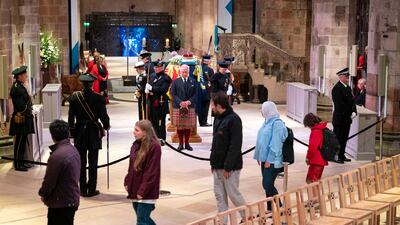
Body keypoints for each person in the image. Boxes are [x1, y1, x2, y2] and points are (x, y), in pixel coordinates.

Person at [68, 73, 110, 197]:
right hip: (93, 131)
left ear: (81, 83)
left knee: (80, 162)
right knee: (93, 162)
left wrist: (71, 130)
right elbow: (103, 116)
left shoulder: (75, 97)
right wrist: (106, 126)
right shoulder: (98, 98)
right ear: (92, 84)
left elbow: (71, 117)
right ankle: (91, 188)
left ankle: (82, 189)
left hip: (80, 132)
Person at [209, 92, 246, 215]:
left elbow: (235, 146)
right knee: (219, 196)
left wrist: (228, 167)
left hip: (230, 167)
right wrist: (213, 164)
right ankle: (223, 222)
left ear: (219, 105)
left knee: (233, 194)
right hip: (217, 165)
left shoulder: (234, 120)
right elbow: (216, 142)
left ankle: (247, 217)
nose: (211, 107)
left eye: (212, 105)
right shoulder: (218, 118)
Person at [38, 120, 81, 225]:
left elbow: (49, 181)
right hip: (71, 198)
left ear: (53, 136)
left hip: (61, 203)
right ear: (68, 133)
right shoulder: (73, 149)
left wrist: (43, 194)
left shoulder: (57, 156)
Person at [124, 120, 161, 225]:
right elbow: (131, 167)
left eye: (137, 130)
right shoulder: (135, 145)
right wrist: (127, 181)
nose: (133, 132)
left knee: (141, 221)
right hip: (135, 187)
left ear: (145, 132)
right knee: (144, 219)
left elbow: (151, 172)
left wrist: (142, 190)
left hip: (146, 191)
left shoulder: (154, 147)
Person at [253, 101, 288, 207]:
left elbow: (276, 144)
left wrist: (269, 159)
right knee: (268, 184)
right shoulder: (267, 121)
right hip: (265, 159)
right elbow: (262, 139)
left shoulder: (277, 123)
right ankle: (270, 207)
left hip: (273, 160)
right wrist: (260, 156)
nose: (261, 111)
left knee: (267, 184)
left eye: (263, 109)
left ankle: (279, 207)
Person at [9, 65, 34, 172]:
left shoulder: (20, 86)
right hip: (21, 118)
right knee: (19, 142)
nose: (26, 76)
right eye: (24, 75)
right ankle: (18, 164)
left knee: (23, 141)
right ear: (19, 77)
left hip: (24, 117)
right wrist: (29, 111)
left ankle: (22, 162)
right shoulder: (17, 88)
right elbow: (20, 106)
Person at [331, 68, 357, 163]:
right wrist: (349, 114)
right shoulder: (337, 89)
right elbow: (340, 105)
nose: (347, 78)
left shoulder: (348, 88)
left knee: (344, 138)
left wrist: (354, 111)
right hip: (340, 119)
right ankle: (336, 156)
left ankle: (341, 155)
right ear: (340, 77)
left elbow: (352, 101)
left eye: (347, 76)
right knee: (338, 138)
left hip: (346, 119)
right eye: (346, 76)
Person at [170, 64, 197, 151]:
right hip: (178, 106)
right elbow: (173, 94)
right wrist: (181, 102)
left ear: (188, 72)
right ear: (180, 72)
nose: (185, 73)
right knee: (180, 126)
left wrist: (189, 102)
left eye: (186, 71)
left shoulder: (193, 81)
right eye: (183, 72)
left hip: (190, 106)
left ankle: (187, 144)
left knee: (188, 126)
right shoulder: (175, 81)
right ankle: (181, 144)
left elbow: (195, 94)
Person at [145, 60, 172, 141]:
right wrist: (147, 90)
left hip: (160, 103)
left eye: (158, 67)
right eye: (155, 67)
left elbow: (163, 90)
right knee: (152, 121)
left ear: (162, 67)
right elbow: (149, 85)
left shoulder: (166, 78)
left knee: (160, 122)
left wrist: (151, 88)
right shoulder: (152, 76)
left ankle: (161, 138)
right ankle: (153, 138)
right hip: (152, 102)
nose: (156, 69)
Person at [303, 113, 328, 184]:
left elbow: (312, 147)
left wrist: (308, 158)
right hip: (319, 160)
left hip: (317, 160)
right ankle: (314, 194)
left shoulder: (316, 131)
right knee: (313, 181)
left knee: (312, 182)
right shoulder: (321, 128)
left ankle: (314, 195)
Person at [198, 54, 213, 127]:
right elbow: (212, 81)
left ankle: (200, 121)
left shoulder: (198, 68)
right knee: (206, 107)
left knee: (200, 106)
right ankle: (204, 122)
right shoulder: (210, 70)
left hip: (199, 90)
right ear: (208, 61)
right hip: (206, 90)